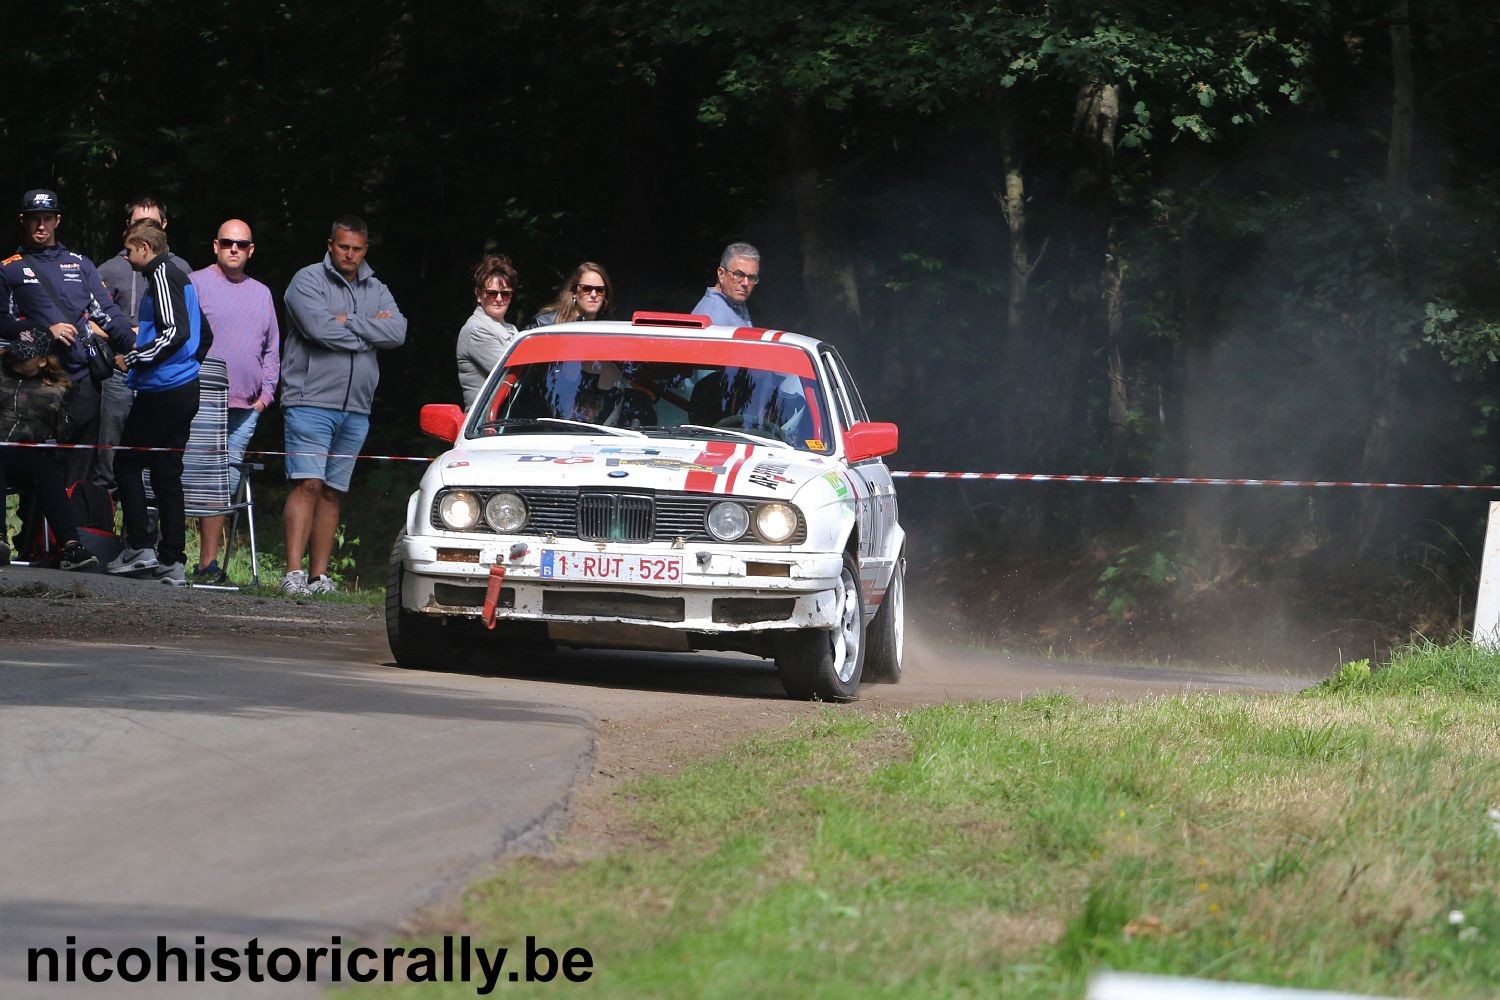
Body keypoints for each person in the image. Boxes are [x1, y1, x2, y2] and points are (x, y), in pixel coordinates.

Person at [279, 215, 406, 595]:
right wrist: (369, 330)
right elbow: (318, 329)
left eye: (357, 248)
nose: (349, 254)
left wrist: (348, 320)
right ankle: (293, 574)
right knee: (308, 483)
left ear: (365, 249)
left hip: (357, 408)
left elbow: (397, 332)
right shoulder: (306, 281)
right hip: (309, 399)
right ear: (330, 245)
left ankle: (319, 577)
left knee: (333, 490)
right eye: (343, 246)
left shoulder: (377, 287)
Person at [0, 189, 133, 487]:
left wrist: (134, 347)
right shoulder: (9, 269)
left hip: (83, 382)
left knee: (79, 473)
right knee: (37, 474)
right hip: (37, 384)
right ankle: (32, 535)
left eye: (47, 218)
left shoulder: (80, 263)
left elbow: (107, 313)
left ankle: (74, 533)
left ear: (58, 220)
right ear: (23, 220)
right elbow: (3, 323)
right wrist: (46, 331)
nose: (41, 226)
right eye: (35, 219)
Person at [105, 220, 212, 585]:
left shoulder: (164, 274)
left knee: (126, 463)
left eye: (130, 250)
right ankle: (172, 561)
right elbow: (205, 334)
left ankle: (140, 546)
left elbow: (175, 332)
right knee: (167, 473)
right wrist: (187, 369)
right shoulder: (179, 279)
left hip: (164, 393)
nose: (128, 257)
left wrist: (134, 359)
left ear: (146, 249)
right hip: (179, 389)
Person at [189, 219, 280, 583]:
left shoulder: (262, 293)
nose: (233, 250)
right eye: (227, 243)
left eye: (241, 245)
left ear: (251, 250)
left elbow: (272, 348)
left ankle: (207, 565)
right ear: (215, 245)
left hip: (247, 408)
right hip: (201, 402)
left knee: (222, 485)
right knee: (189, 479)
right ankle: (170, 557)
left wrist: (266, 396)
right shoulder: (194, 283)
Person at [95, 196, 194, 493]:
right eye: (139, 223)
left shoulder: (179, 269)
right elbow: (89, 319)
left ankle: (146, 533)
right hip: (120, 371)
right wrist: (126, 335)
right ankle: (104, 530)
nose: (144, 230)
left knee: (159, 460)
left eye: (151, 223)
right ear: (128, 226)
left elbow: (189, 326)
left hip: (163, 378)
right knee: (112, 455)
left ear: (163, 226)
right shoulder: (110, 269)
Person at [0, 330, 101, 571]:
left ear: (43, 360)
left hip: (30, 455)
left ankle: (70, 545)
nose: (16, 360)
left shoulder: (58, 388)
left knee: (48, 473)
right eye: (15, 354)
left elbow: (64, 434)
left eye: (23, 357)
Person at [456, 254, 520, 408]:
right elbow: (515, 373)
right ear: (479, 295)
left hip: (509, 420)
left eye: (505, 294)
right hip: (485, 426)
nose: (499, 299)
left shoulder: (510, 329)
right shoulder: (477, 330)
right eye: (492, 293)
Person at [524, 261, 613, 330]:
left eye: (599, 290)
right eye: (586, 289)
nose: (593, 294)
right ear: (574, 292)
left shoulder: (610, 328)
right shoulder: (544, 324)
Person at [691, 242, 761, 327]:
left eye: (751, 277)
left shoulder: (735, 303)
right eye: (738, 275)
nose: (745, 283)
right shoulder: (711, 318)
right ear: (721, 274)